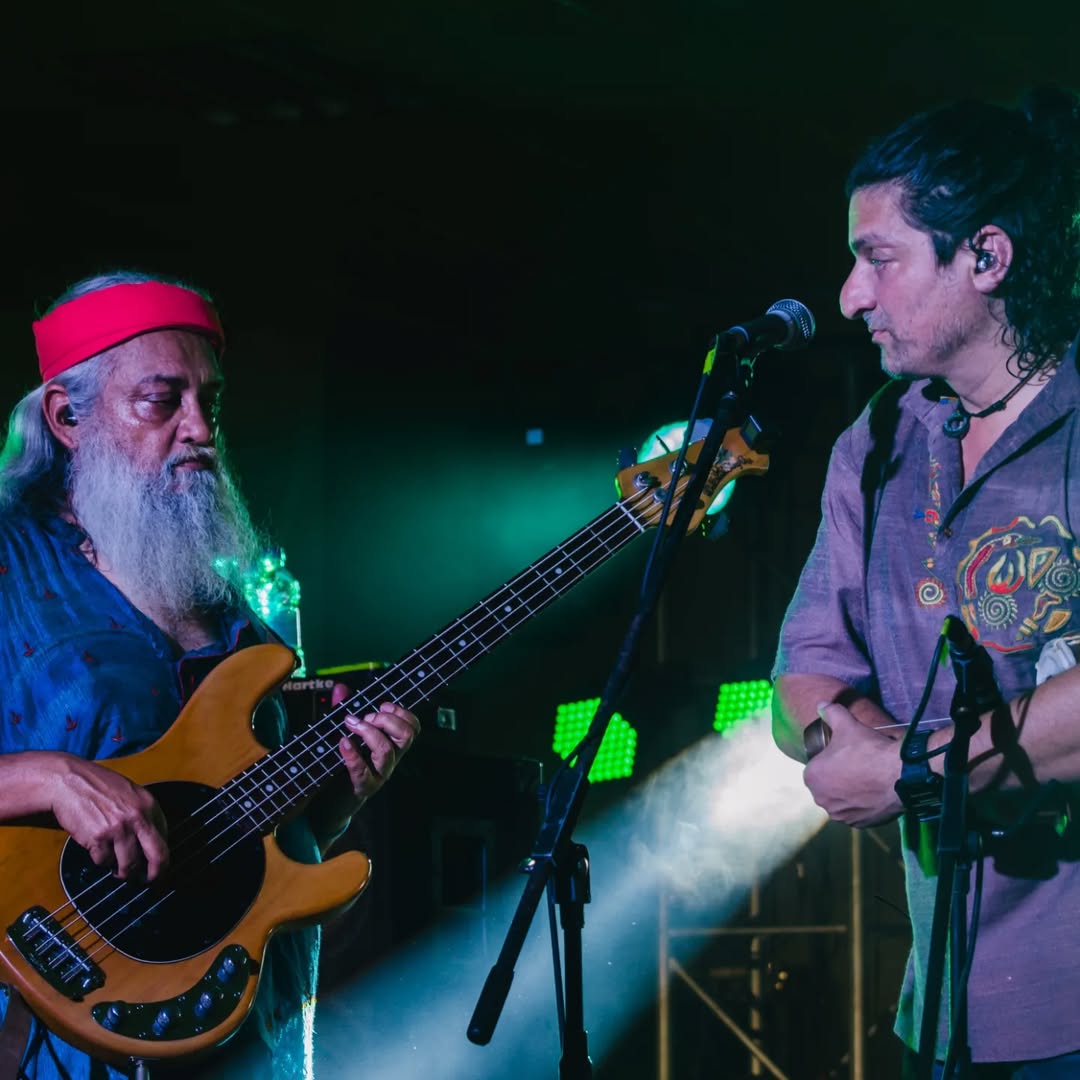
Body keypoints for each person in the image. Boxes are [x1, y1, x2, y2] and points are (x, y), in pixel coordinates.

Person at [0, 271, 420, 1079]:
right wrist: (49, 776)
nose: (199, 430)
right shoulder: (10, 564)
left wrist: (336, 800)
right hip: (49, 1033)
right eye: (163, 400)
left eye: (210, 404)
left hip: (242, 1040)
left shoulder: (231, 615)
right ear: (67, 417)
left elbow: (243, 850)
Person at [771, 87, 1080, 1078]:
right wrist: (843, 743)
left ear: (986, 256)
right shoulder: (876, 441)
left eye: (879, 258)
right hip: (945, 1009)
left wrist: (912, 769)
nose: (849, 297)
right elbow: (801, 677)